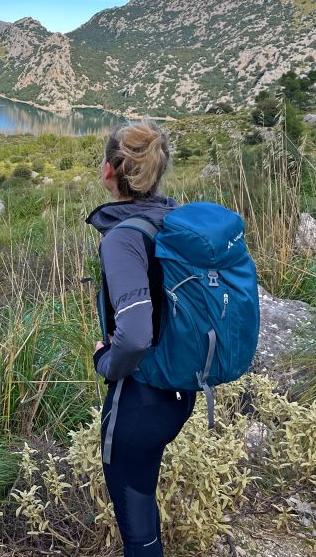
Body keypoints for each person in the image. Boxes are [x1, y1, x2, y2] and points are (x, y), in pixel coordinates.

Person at [86, 120, 197, 557]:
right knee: (144, 511)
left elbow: (132, 336)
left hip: (138, 400)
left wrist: (105, 362)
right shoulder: (171, 220)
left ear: (110, 171)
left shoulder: (122, 238)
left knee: (139, 533)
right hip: (178, 392)